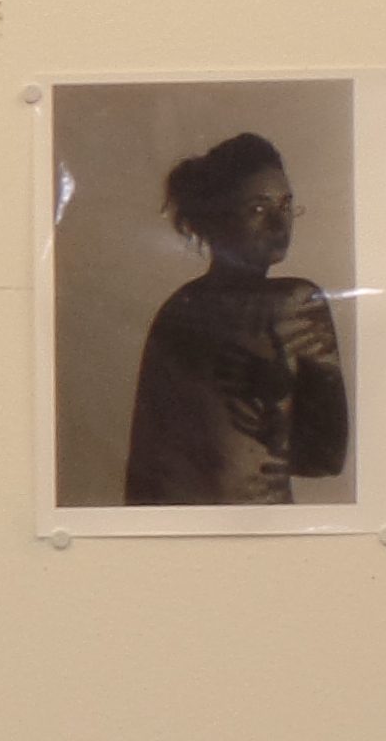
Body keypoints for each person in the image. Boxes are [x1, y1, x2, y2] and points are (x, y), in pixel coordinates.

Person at [123, 131, 345, 503]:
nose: (279, 223)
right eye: (258, 209)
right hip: (246, 524)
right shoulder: (295, 304)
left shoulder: (177, 308)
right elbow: (324, 457)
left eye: (286, 205)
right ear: (217, 218)